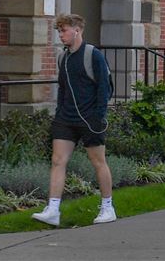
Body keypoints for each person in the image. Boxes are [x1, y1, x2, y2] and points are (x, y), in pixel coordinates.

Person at [33, 13, 116, 227]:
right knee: (58, 161)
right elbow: (62, 87)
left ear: (76, 30)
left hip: (90, 119)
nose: (61, 35)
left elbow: (105, 87)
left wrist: (99, 116)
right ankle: (53, 209)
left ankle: (108, 207)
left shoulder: (93, 55)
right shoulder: (63, 57)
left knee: (98, 162)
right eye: (59, 31)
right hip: (66, 118)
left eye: (64, 31)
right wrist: (60, 111)